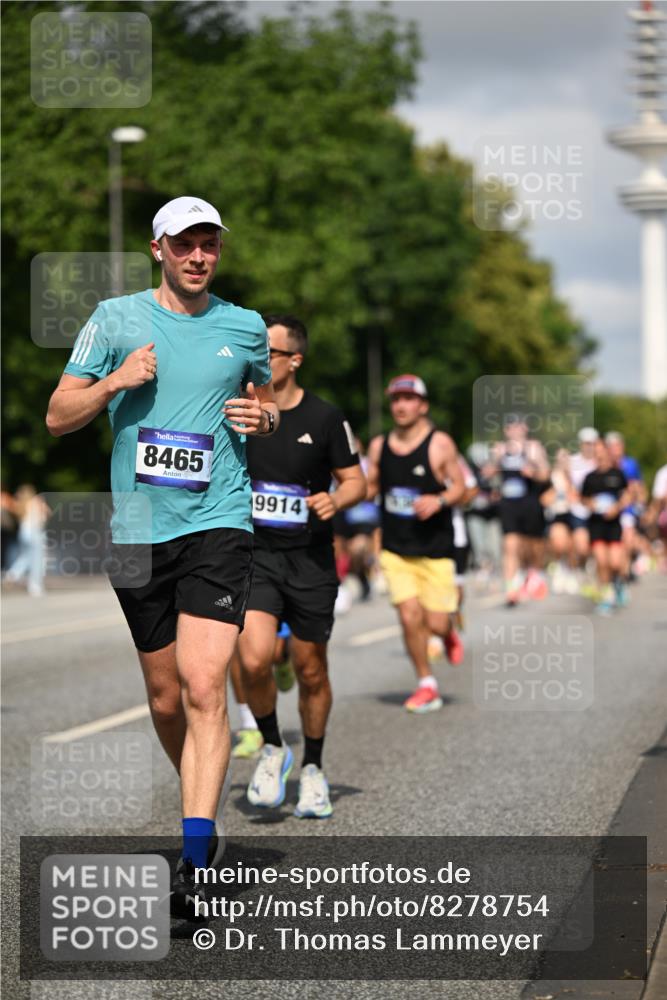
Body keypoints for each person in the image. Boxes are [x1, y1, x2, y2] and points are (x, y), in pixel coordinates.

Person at [46, 196, 279, 919]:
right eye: (185, 245)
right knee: (166, 696)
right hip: (140, 527)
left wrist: (261, 417)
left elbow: (265, 405)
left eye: (209, 244)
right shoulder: (114, 320)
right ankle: (199, 802)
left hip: (218, 520)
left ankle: (195, 856)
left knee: (205, 683)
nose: (198, 257)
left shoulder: (243, 327)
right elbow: (57, 416)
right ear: (158, 249)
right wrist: (115, 382)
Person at [238, 315, 366, 819]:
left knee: (312, 670)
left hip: (310, 560)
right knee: (252, 659)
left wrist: (337, 501)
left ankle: (312, 767)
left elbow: (356, 480)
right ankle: (273, 746)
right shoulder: (244, 410)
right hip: (256, 557)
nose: (260, 359)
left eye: (269, 351)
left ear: (294, 359)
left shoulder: (326, 417)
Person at [366, 374, 465, 713]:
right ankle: (426, 683)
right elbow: (370, 487)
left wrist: (439, 501)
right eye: (396, 399)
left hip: (435, 548)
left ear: (422, 405)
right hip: (396, 548)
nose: (401, 405)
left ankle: (448, 631)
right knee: (409, 616)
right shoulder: (379, 446)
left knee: (435, 623)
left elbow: (460, 487)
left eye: (409, 399)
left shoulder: (440, 444)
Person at [485, 415, 551, 607]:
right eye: (510, 427)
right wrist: (491, 471)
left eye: (518, 426)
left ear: (524, 429)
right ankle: (511, 588)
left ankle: (533, 572)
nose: (514, 430)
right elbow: (489, 473)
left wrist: (534, 472)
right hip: (508, 504)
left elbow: (546, 475)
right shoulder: (499, 450)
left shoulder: (534, 448)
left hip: (530, 503)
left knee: (532, 546)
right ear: (506, 430)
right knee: (510, 545)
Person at [580, 438, 631, 615]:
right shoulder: (590, 477)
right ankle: (606, 597)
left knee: (615, 562)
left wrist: (616, 508)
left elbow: (627, 495)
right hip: (596, 524)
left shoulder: (618, 474)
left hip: (613, 524)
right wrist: (591, 504)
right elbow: (582, 498)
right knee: (602, 561)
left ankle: (618, 583)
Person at [568, 427, 599, 592]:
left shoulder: (600, 462)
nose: (590, 447)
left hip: (598, 512)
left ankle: (592, 570)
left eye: (593, 443)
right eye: (587, 443)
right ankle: (580, 568)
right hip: (579, 510)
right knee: (581, 546)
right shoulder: (573, 462)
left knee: (596, 547)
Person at [4, 485, 50, 596]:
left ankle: (12, 574)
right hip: (35, 531)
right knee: (36, 560)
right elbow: (47, 513)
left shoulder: (20, 503)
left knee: (25, 557)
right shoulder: (37, 501)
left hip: (23, 532)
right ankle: (35, 586)